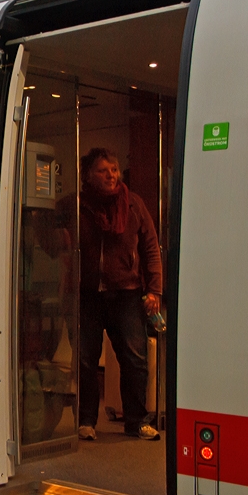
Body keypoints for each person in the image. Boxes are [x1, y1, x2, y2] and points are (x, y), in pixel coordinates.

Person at [63, 147, 163, 442]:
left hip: (127, 293)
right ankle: (86, 421)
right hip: (86, 294)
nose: (111, 175)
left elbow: (151, 249)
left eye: (114, 170)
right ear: (88, 176)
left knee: (135, 360)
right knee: (85, 360)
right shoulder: (75, 206)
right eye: (102, 171)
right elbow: (48, 237)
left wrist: (154, 290)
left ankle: (136, 422)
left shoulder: (133, 205)